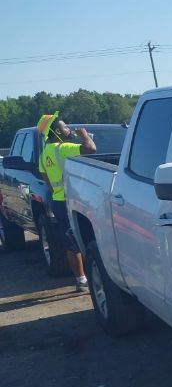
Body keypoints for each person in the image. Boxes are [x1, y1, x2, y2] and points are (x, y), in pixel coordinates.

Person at [36, 112, 97, 292]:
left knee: (70, 239)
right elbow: (91, 149)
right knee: (80, 240)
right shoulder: (62, 148)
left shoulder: (44, 154)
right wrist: (84, 135)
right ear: (56, 131)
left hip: (58, 201)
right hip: (73, 202)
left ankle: (81, 280)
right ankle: (87, 278)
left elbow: (45, 177)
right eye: (64, 127)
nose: (68, 129)